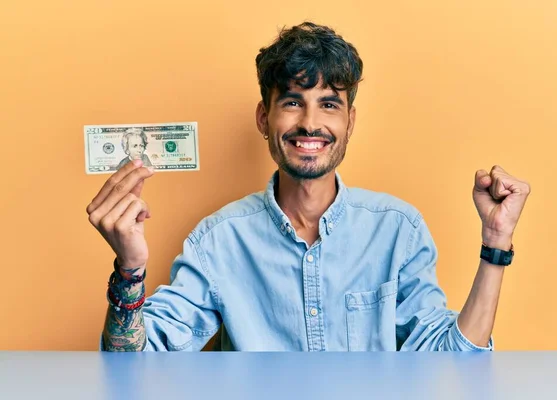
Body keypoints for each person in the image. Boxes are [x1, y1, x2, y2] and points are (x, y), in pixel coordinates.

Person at [86, 22, 531, 352]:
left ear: (350, 121)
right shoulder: (218, 241)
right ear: (265, 118)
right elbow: (134, 365)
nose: (310, 123)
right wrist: (129, 270)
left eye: (330, 104)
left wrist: (496, 245)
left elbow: (452, 362)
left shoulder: (399, 231)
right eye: (293, 102)